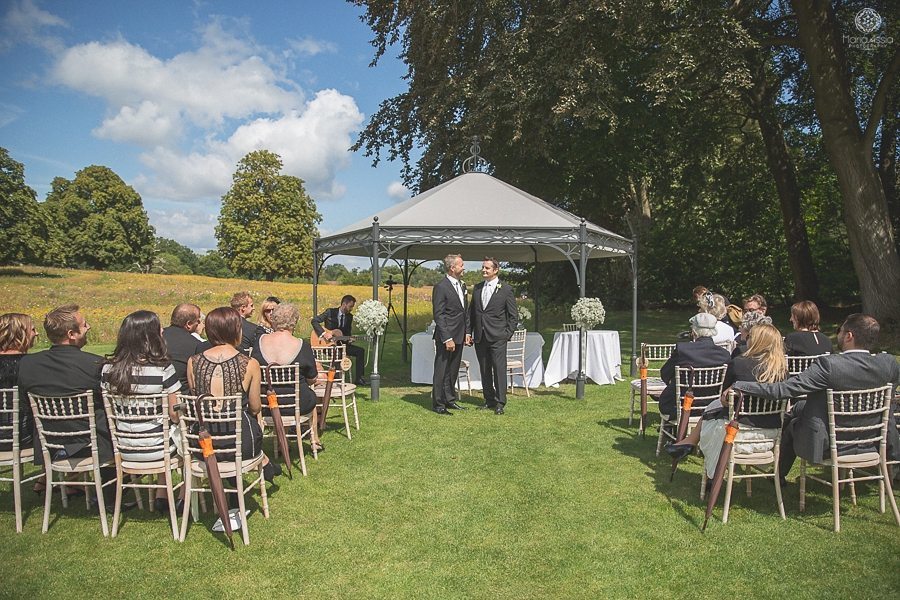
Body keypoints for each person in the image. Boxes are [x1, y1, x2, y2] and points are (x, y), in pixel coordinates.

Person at [732, 313, 900, 480]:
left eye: (839, 330)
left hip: (829, 443)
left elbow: (782, 390)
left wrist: (741, 385)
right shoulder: (888, 364)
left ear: (849, 336)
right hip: (872, 440)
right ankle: (776, 476)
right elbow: (891, 392)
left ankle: (777, 476)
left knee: (793, 421)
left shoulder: (829, 365)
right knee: (799, 409)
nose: (838, 333)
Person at [17, 304, 121, 510]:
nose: (89, 327)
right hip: (94, 444)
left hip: (50, 442)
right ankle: (110, 497)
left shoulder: (28, 364)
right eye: (84, 325)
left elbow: (25, 406)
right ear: (71, 334)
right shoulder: (95, 364)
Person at [666, 323, 787, 478]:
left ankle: (691, 444)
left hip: (738, 433)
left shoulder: (739, 363)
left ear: (756, 341)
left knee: (714, 408)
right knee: (713, 407)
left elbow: (724, 399)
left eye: (749, 336)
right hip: (770, 434)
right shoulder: (782, 371)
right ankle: (688, 442)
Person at [186, 307, 280, 481]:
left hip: (203, 443)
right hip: (240, 442)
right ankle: (264, 467)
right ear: (236, 330)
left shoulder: (193, 362)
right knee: (249, 425)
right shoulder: (251, 363)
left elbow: (195, 398)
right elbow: (255, 407)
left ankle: (232, 489)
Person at [101, 310, 181, 511]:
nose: (163, 330)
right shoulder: (163, 369)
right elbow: (175, 413)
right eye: (158, 328)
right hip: (157, 448)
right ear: (150, 336)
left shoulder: (108, 370)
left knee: (163, 430)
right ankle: (178, 495)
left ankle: (162, 493)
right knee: (180, 433)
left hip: (124, 447)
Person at [253, 303, 322, 453]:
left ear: (274, 320)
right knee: (311, 394)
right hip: (296, 403)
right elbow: (312, 378)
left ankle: (281, 440)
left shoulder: (259, 342)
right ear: (294, 321)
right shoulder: (302, 345)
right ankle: (314, 439)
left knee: (279, 394)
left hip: (266, 404)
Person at [657, 312, 733, 419]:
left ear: (694, 332)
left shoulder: (683, 350)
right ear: (713, 332)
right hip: (712, 406)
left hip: (680, 405)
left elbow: (665, 374)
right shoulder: (724, 355)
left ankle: (673, 430)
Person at [469, 257, 518, 415]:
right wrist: (469, 333)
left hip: (498, 337)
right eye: (483, 267)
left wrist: (506, 334)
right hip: (480, 337)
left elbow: (513, 316)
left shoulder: (505, 289)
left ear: (495, 270)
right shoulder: (477, 288)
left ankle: (500, 402)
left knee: (499, 370)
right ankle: (488, 399)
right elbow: (472, 313)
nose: (483, 270)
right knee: (484, 370)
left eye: (487, 268)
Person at [431, 253, 470, 415]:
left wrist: (467, 332)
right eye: (461, 265)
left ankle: (450, 399)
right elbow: (438, 315)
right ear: (452, 268)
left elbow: (465, 311)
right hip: (446, 336)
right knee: (442, 370)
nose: (464, 267)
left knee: (453, 369)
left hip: (460, 335)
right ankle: (438, 403)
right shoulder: (441, 287)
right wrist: (447, 337)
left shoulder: (462, 286)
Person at [0, 313, 37, 452]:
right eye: (32, 329)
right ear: (20, 334)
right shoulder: (33, 365)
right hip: (23, 435)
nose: (36, 333)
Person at [310, 294, 367, 386]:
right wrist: (324, 333)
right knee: (338, 353)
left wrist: (349, 339)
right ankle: (335, 378)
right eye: (350, 306)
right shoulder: (330, 312)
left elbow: (347, 333)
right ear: (344, 304)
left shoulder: (349, 317)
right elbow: (314, 321)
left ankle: (359, 378)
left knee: (360, 351)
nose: (351, 309)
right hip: (327, 344)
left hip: (341, 344)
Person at [162, 303, 203, 388]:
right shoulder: (196, 345)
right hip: (182, 395)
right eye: (198, 321)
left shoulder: (157, 338)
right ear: (188, 324)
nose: (199, 323)